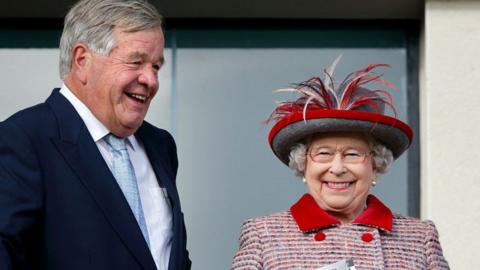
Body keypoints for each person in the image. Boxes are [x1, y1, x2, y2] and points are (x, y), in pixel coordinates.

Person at [0, 0, 191, 269]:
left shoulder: (161, 146)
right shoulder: (22, 140)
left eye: (156, 66)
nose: (151, 80)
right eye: (136, 61)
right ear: (82, 60)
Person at [232, 58, 449, 269]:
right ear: (303, 165)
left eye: (353, 154)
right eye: (323, 153)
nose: (337, 168)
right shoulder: (263, 236)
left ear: (375, 164)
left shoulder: (420, 238)